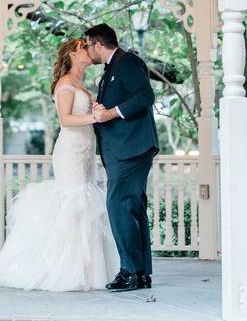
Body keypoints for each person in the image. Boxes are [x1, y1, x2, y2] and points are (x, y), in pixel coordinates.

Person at [0, 38, 119, 291]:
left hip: (86, 149)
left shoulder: (82, 83)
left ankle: (88, 271)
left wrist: (96, 111)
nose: (89, 51)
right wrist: (95, 116)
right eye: (83, 48)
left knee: (86, 198)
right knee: (74, 200)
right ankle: (63, 269)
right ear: (71, 53)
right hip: (70, 150)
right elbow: (66, 119)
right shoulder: (66, 83)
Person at [86, 23, 158, 292]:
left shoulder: (128, 62)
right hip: (123, 149)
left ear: (98, 44)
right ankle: (140, 273)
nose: (87, 50)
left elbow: (145, 96)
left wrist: (109, 112)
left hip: (132, 149)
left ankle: (130, 271)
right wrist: (102, 109)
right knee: (132, 209)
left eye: (88, 45)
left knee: (118, 206)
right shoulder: (112, 70)